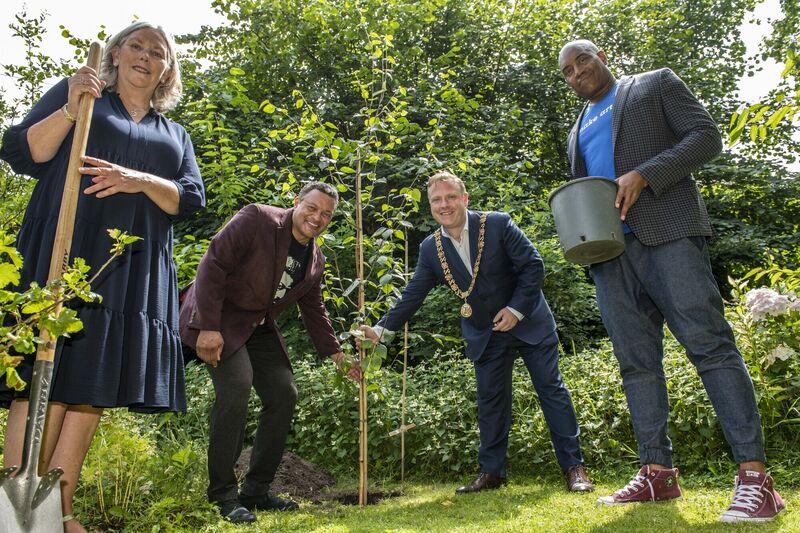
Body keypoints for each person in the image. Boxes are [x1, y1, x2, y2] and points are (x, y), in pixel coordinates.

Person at [558, 39, 785, 522]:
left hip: (669, 233)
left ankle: (755, 479)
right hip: (610, 254)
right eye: (568, 72)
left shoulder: (653, 84)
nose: (578, 73)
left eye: (583, 61)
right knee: (636, 364)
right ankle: (657, 473)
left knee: (710, 345)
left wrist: (645, 173)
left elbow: (705, 137)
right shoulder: (575, 130)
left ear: (602, 57)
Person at [0, 22, 205, 532]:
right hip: (67, 250)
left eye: (157, 52)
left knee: (91, 388)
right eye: (135, 46)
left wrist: (137, 180)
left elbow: (190, 198)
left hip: (131, 267)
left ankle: (57, 510)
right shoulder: (84, 92)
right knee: (40, 379)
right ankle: (12, 508)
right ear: (115, 54)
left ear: (166, 71)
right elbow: (25, 153)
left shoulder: (174, 134)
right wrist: (71, 108)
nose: (144, 56)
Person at [359, 171, 593, 495]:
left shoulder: (497, 223)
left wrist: (515, 310)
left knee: (551, 391)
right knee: (490, 402)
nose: (445, 205)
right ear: (430, 206)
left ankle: (574, 468)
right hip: (485, 333)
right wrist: (382, 329)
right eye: (437, 200)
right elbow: (413, 293)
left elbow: (533, 266)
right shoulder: (431, 248)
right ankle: (492, 473)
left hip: (529, 323)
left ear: (464, 199)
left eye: (450, 197)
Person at [179, 182, 359, 523]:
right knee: (236, 387)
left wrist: (337, 356)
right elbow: (212, 263)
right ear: (296, 202)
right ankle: (222, 496)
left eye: (326, 214)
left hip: (257, 326)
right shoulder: (258, 219)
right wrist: (207, 326)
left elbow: (314, 309)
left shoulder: (315, 259)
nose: (317, 217)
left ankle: (256, 491)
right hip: (219, 317)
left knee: (283, 393)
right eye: (312, 208)